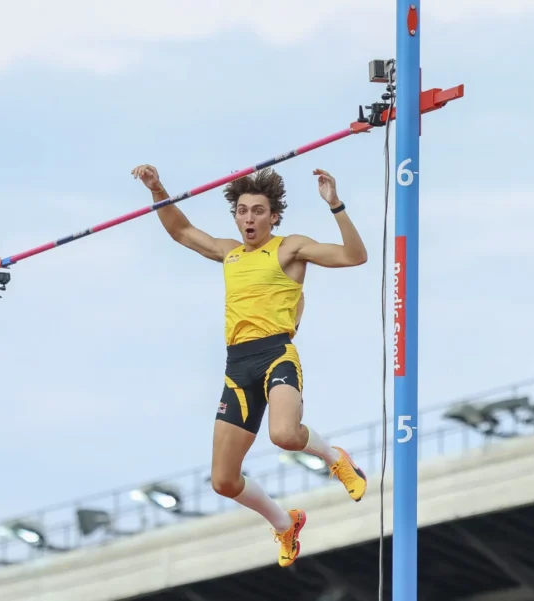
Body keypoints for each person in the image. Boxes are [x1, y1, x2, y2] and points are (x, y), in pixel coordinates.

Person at [131, 163, 369, 568]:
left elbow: (355, 256)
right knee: (223, 481)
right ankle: (285, 524)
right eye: (242, 211)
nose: (249, 219)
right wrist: (157, 189)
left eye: (258, 211)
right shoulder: (230, 253)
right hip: (237, 368)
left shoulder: (290, 248)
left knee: (284, 434)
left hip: (276, 354)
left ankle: (335, 458)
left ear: (273, 216)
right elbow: (181, 231)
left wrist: (335, 204)